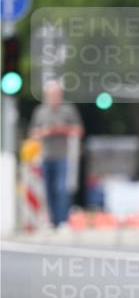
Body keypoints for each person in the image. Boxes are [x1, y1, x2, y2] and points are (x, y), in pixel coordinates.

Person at [28, 79, 83, 228]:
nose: (54, 97)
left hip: (63, 156)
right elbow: (32, 134)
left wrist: (61, 129)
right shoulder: (40, 111)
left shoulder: (68, 110)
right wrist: (45, 132)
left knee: (62, 188)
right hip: (45, 156)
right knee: (48, 190)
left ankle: (63, 221)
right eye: (51, 94)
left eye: (56, 94)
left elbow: (79, 130)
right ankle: (53, 221)